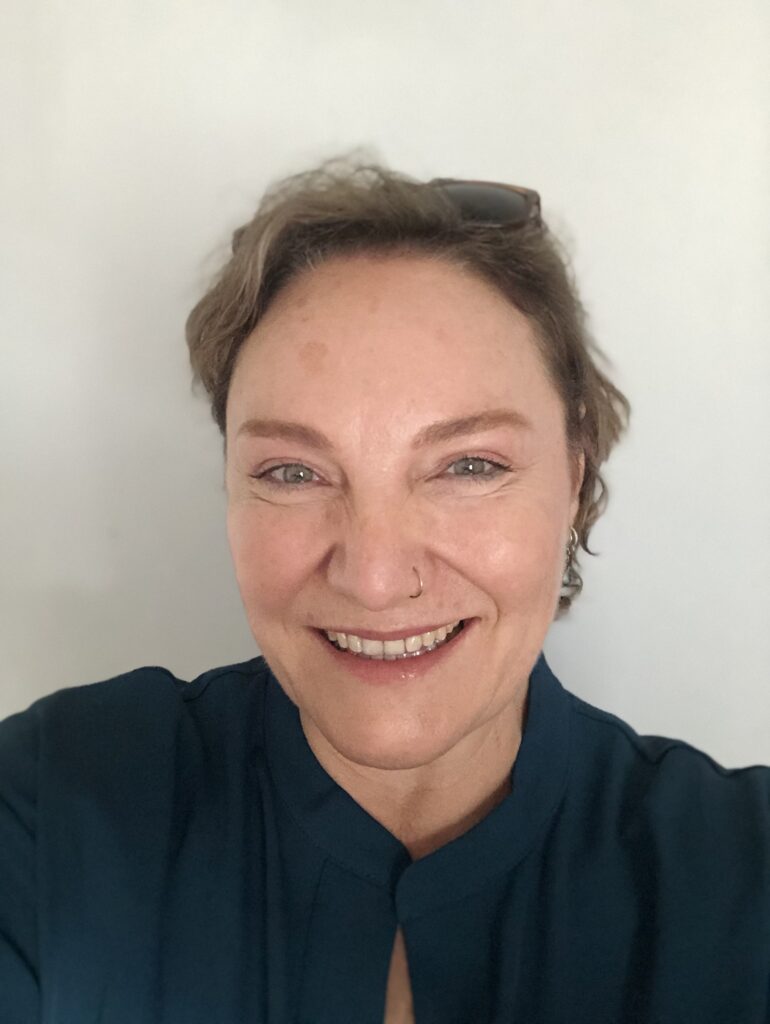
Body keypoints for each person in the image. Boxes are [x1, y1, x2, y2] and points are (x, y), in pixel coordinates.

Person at [1, 160, 768, 1024]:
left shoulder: (746, 878)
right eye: (293, 471)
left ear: (574, 485)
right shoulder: (49, 808)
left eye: (468, 465)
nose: (372, 577)